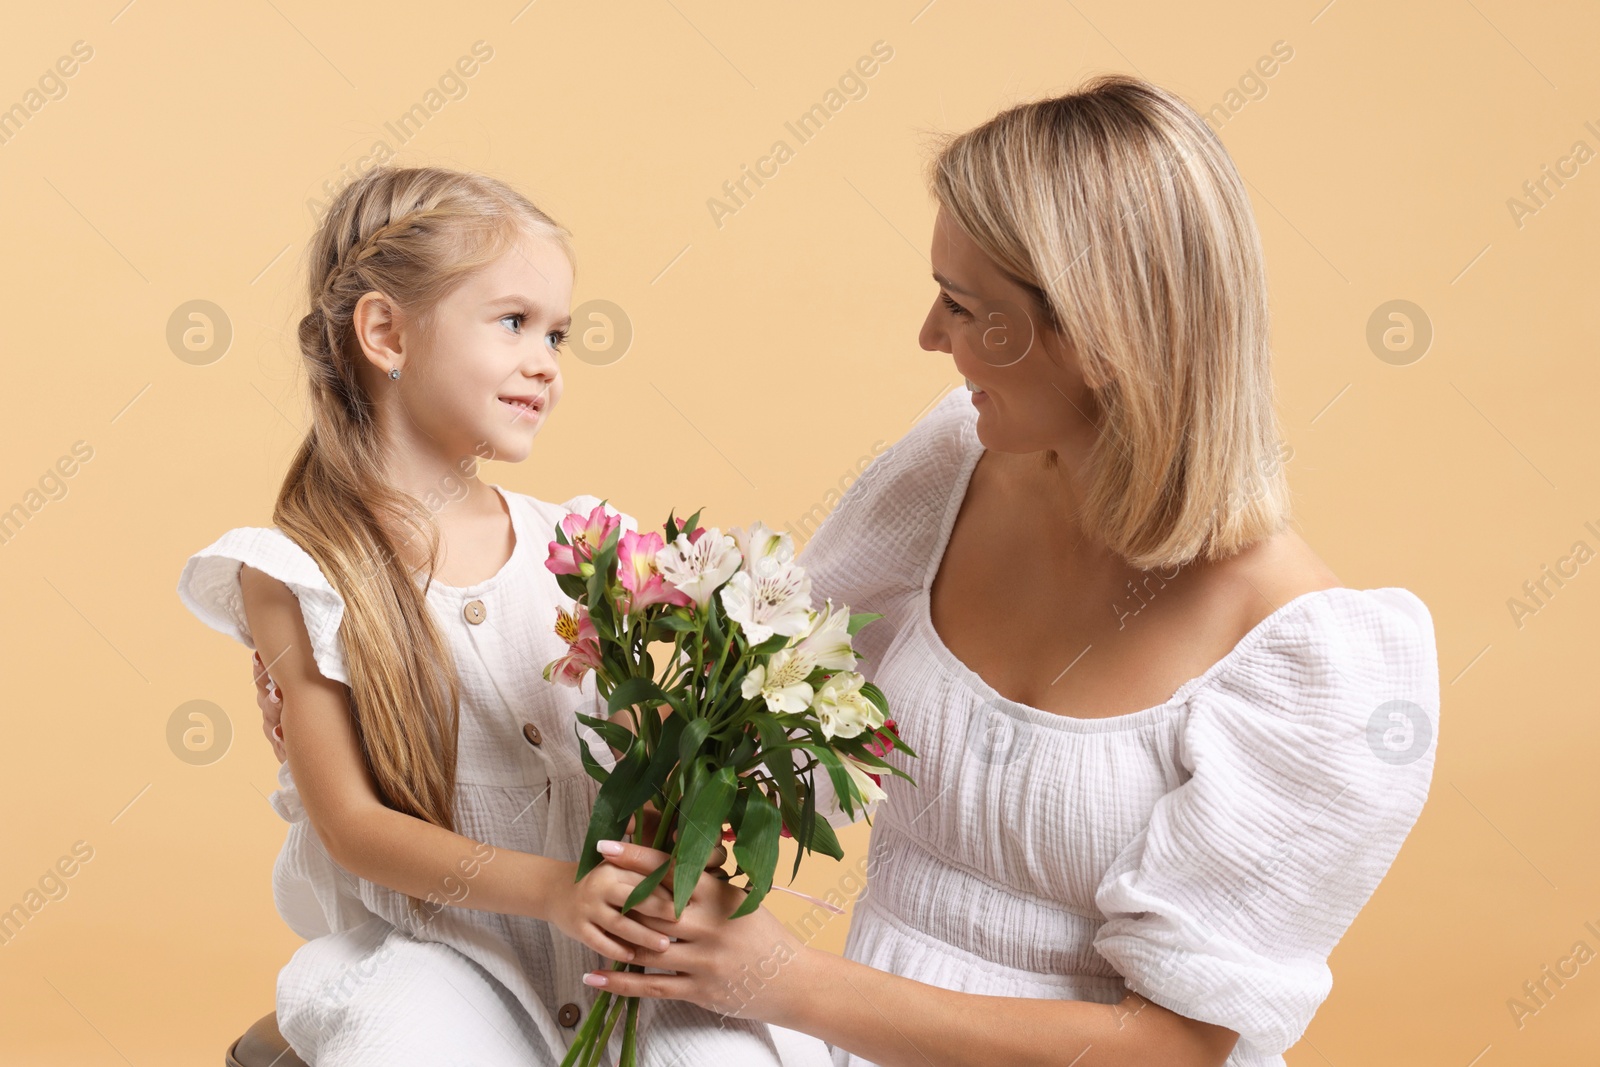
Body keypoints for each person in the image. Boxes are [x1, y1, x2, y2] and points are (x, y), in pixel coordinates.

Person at [582, 75, 1441, 1067]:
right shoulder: (955, 462)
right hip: (850, 1033)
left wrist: (784, 981)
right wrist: (678, 820)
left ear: (1100, 338)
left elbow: (1171, 1045)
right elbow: (792, 710)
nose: (929, 337)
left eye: (961, 305)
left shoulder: (1307, 659)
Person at [179, 164, 831, 1066]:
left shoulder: (583, 547)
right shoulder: (301, 570)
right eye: (514, 322)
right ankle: (287, 1045)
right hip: (444, 948)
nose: (546, 363)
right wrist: (556, 889)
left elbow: (638, 743)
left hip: (606, 947)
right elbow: (352, 826)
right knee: (413, 1043)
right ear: (384, 331)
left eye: (557, 334)